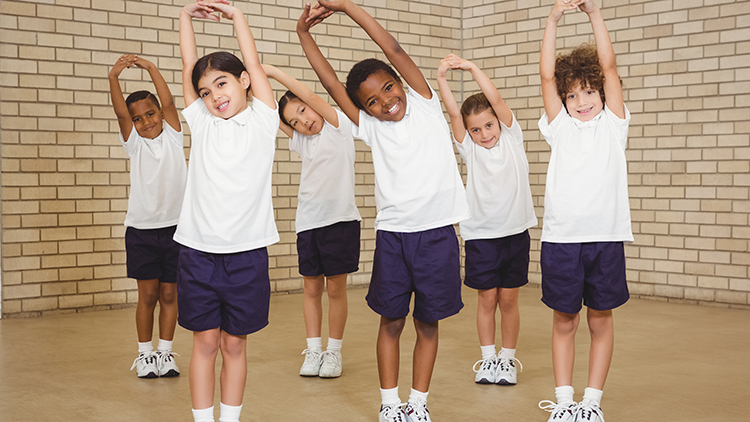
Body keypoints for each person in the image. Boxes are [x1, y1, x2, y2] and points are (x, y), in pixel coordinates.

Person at [300, 1, 470, 421]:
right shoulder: (369, 128)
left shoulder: (426, 103)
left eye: (388, 89)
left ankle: (418, 404)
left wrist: (345, 7)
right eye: (372, 101)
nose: (385, 103)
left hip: (437, 236)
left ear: (401, 82)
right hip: (394, 238)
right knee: (391, 322)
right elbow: (331, 84)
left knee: (428, 324)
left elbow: (391, 47)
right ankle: (390, 404)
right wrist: (304, 35)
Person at [178, 2, 279, 421]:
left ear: (244, 82)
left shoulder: (264, 120)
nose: (214, 96)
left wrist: (238, 18)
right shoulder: (202, 122)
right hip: (198, 252)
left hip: (247, 254)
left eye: (222, 84)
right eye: (205, 91)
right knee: (204, 342)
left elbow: (252, 60)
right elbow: (188, 63)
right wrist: (184, 17)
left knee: (234, 344)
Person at [536, 1, 631, 421]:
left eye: (588, 91)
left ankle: (590, 403)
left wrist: (594, 15)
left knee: (600, 320)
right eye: (571, 95)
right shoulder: (559, 127)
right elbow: (545, 75)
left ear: (601, 92)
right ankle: (563, 402)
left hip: (605, 238)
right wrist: (553, 19)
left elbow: (610, 67)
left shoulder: (614, 124)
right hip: (562, 239)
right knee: (564, 321)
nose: (581, 101)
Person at [436, 54, 536, 386]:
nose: (484, 134)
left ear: (499, 122)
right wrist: (442, 79)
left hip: (515, 233)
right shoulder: (471, 149)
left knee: (508, 299)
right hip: (481, 236)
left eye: (488, 125)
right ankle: (487, 359)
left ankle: (507, 359)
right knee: (487, 298)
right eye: (476, 129)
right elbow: (453, 112)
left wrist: (472, 69)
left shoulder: (512, 137)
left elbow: (496, 99)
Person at [263, 64, 362, 378]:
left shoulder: (338, 124)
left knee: (335, 291)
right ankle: (314, 349)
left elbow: (308, 94)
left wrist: (273, 72)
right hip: (308, 223)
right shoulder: (300, 141)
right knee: (310, 289)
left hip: (341, 221)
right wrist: (249, 84)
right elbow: (268, 112)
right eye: (295, 121)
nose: (303, 121)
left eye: (303, 111)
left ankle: (333, 352)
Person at [109, 54, 187, 379]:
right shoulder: (134, 145)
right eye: (137, 119)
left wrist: (151, 68)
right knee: (148, 295)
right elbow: (119, 112)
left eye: (150, 113)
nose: (145, 122)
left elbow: (167, 100)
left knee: (170, 294)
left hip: (176, 230)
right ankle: (145, 355)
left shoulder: (172, 135)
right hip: (141, 231)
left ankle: (165, 354)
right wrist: (114, 76)